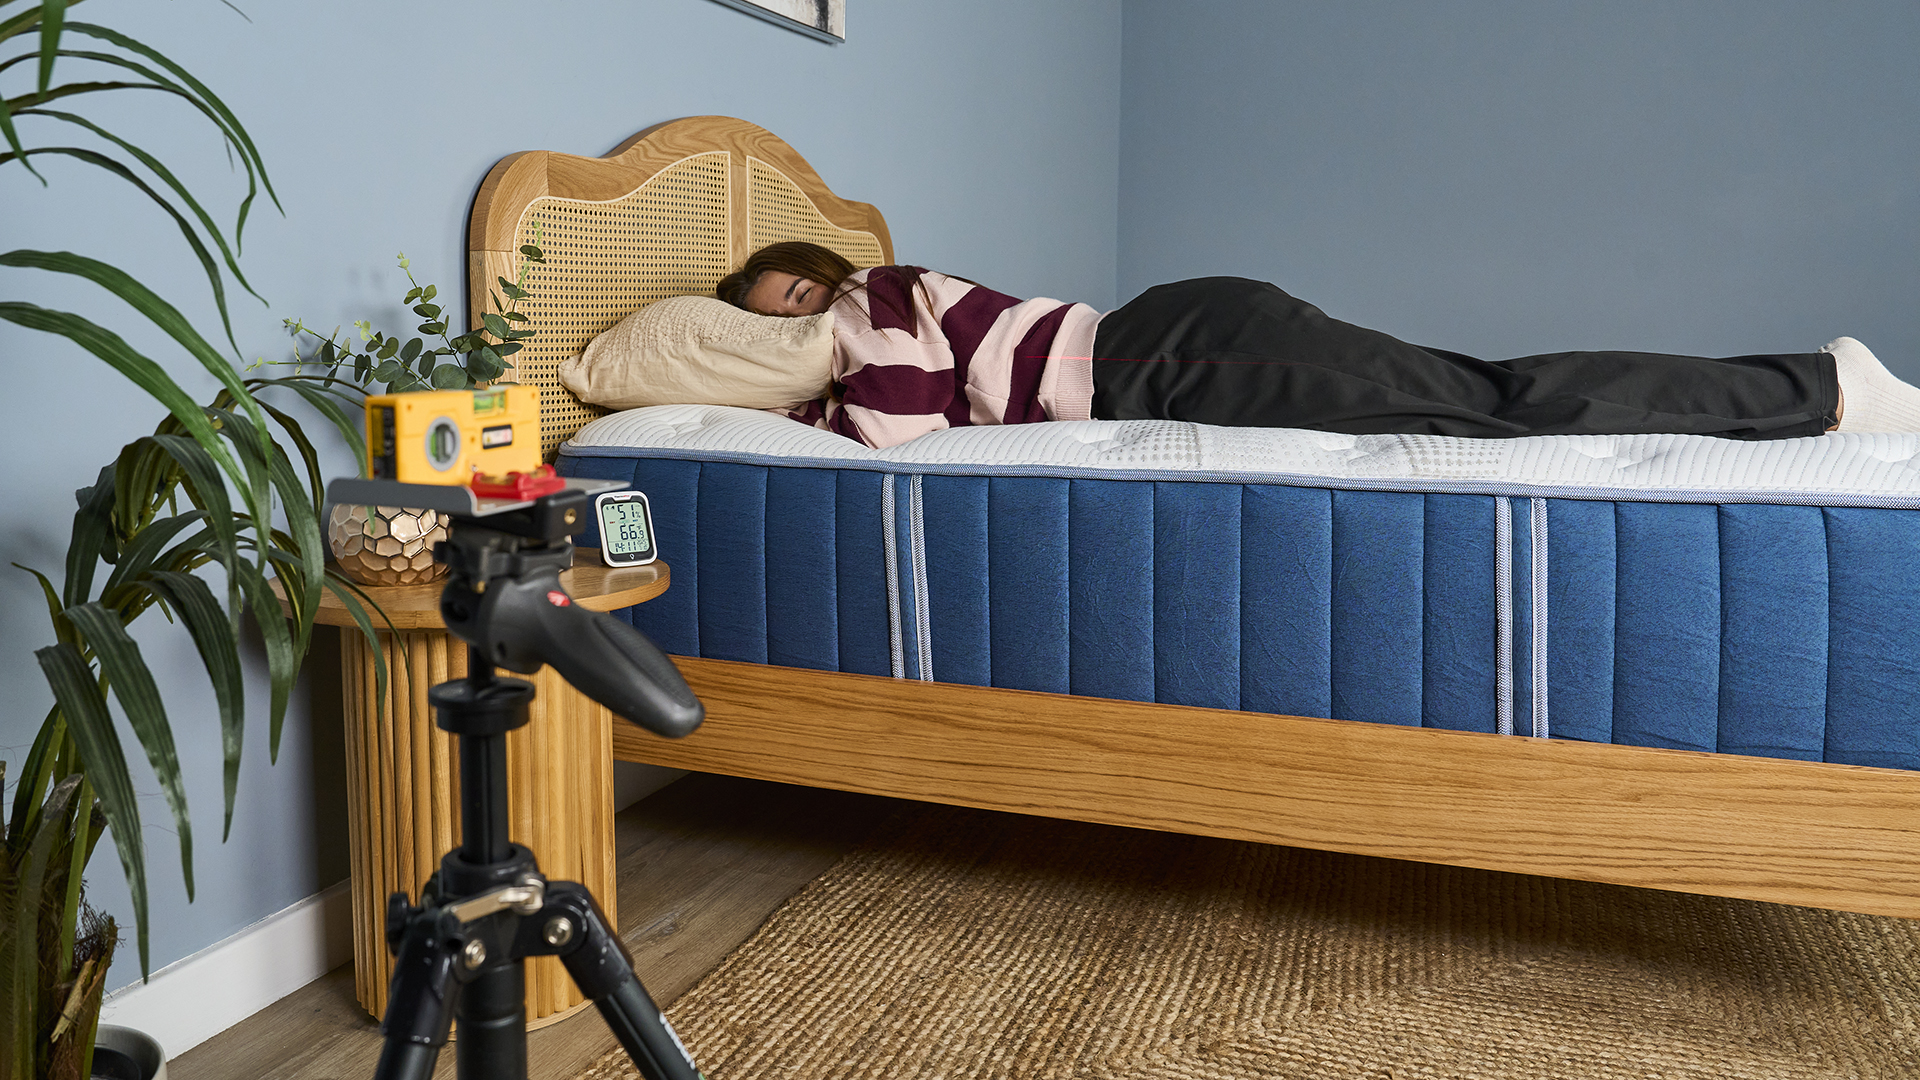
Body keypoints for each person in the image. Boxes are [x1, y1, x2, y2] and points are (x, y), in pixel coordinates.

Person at [716, 241, 1917, 451]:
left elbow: (896, 430)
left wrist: (794, 396)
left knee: (1498, 403)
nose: (793, 323)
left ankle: (1820, 387)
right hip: (1184, 348)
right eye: (769, 321)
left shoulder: (880, 294)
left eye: (793, 296)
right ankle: (1813, 390)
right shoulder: (860, 341)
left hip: (1173, 352)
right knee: (1480, 404)